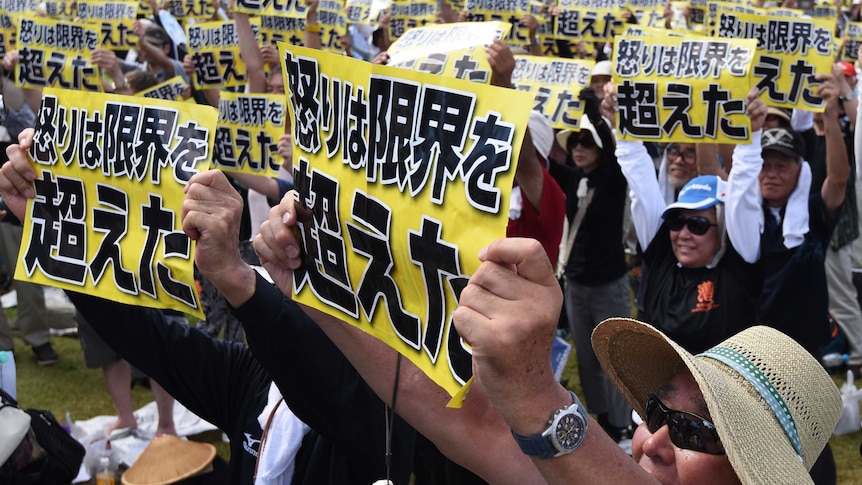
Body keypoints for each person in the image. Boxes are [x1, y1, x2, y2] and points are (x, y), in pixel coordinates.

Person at [0, 130, 416, 485]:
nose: (291, 234)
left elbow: (328, 387)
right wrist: (51, 229)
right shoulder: (255, 381)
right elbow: (148, 340)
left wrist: (239, 279)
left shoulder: (404, 417)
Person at [600, 85, 766, 352]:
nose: (683, 234)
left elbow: (743, 197)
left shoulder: (738, 266)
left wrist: (753, 134)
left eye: (698, 225)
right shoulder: (661, 254)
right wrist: (622, 126)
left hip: (721, 391)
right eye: (676, 221)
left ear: (723, 229)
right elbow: (640, 184)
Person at [553, 90, 632, 445]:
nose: (578, 148)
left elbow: (614, 154)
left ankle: (621, 422)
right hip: (577, 284)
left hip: (607, 283)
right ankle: (603, 417)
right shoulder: (573, 178)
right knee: (586, 357)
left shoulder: (613, 179)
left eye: (587, 142)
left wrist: (594, 114)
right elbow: (539, 161)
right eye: (575, 142)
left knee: (614, 356)